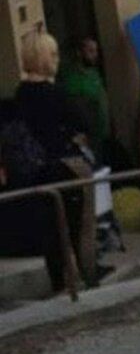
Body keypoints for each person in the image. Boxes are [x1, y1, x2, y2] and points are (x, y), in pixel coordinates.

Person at [0, 31, 108, 292]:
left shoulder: (20, 94)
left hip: (36, 169)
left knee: (51, 226)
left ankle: (59, 278)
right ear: (44, 57)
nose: (58, 59)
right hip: (65, 163)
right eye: (54, 54)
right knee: (79, 224)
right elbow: (83, 123)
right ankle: (88, 271)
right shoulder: (54, 94)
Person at [57, 36, 111, 158]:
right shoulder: (72, 79)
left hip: (102, 134)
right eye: (90, 51)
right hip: (87, 136)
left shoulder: (95, 74)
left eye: (96, 51)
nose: (95, 55)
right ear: (79, 53)